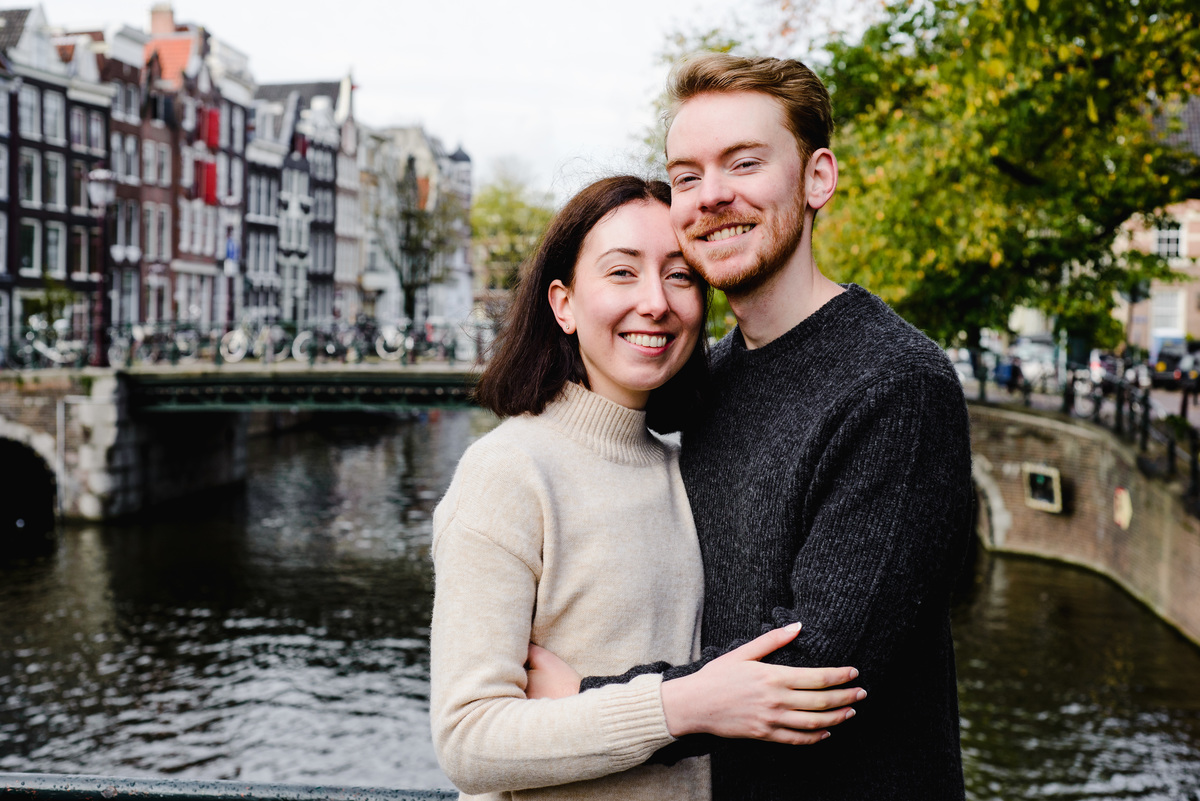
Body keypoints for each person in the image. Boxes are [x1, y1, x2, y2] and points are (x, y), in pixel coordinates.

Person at [533, 55, 974, 800]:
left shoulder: (897, 385)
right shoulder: (705, 377)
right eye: (687, 176)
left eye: (744, 163)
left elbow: (816, 673)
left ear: (817, 178)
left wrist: (593, 700)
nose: (712, 195)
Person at [428, 175, 864, 800]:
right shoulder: (508, 472)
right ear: (563, 305)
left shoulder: (689, 463)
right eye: (622, 273)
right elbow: (469, 740)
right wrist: (680, 706)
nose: (655, 302)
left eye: (679, 276)